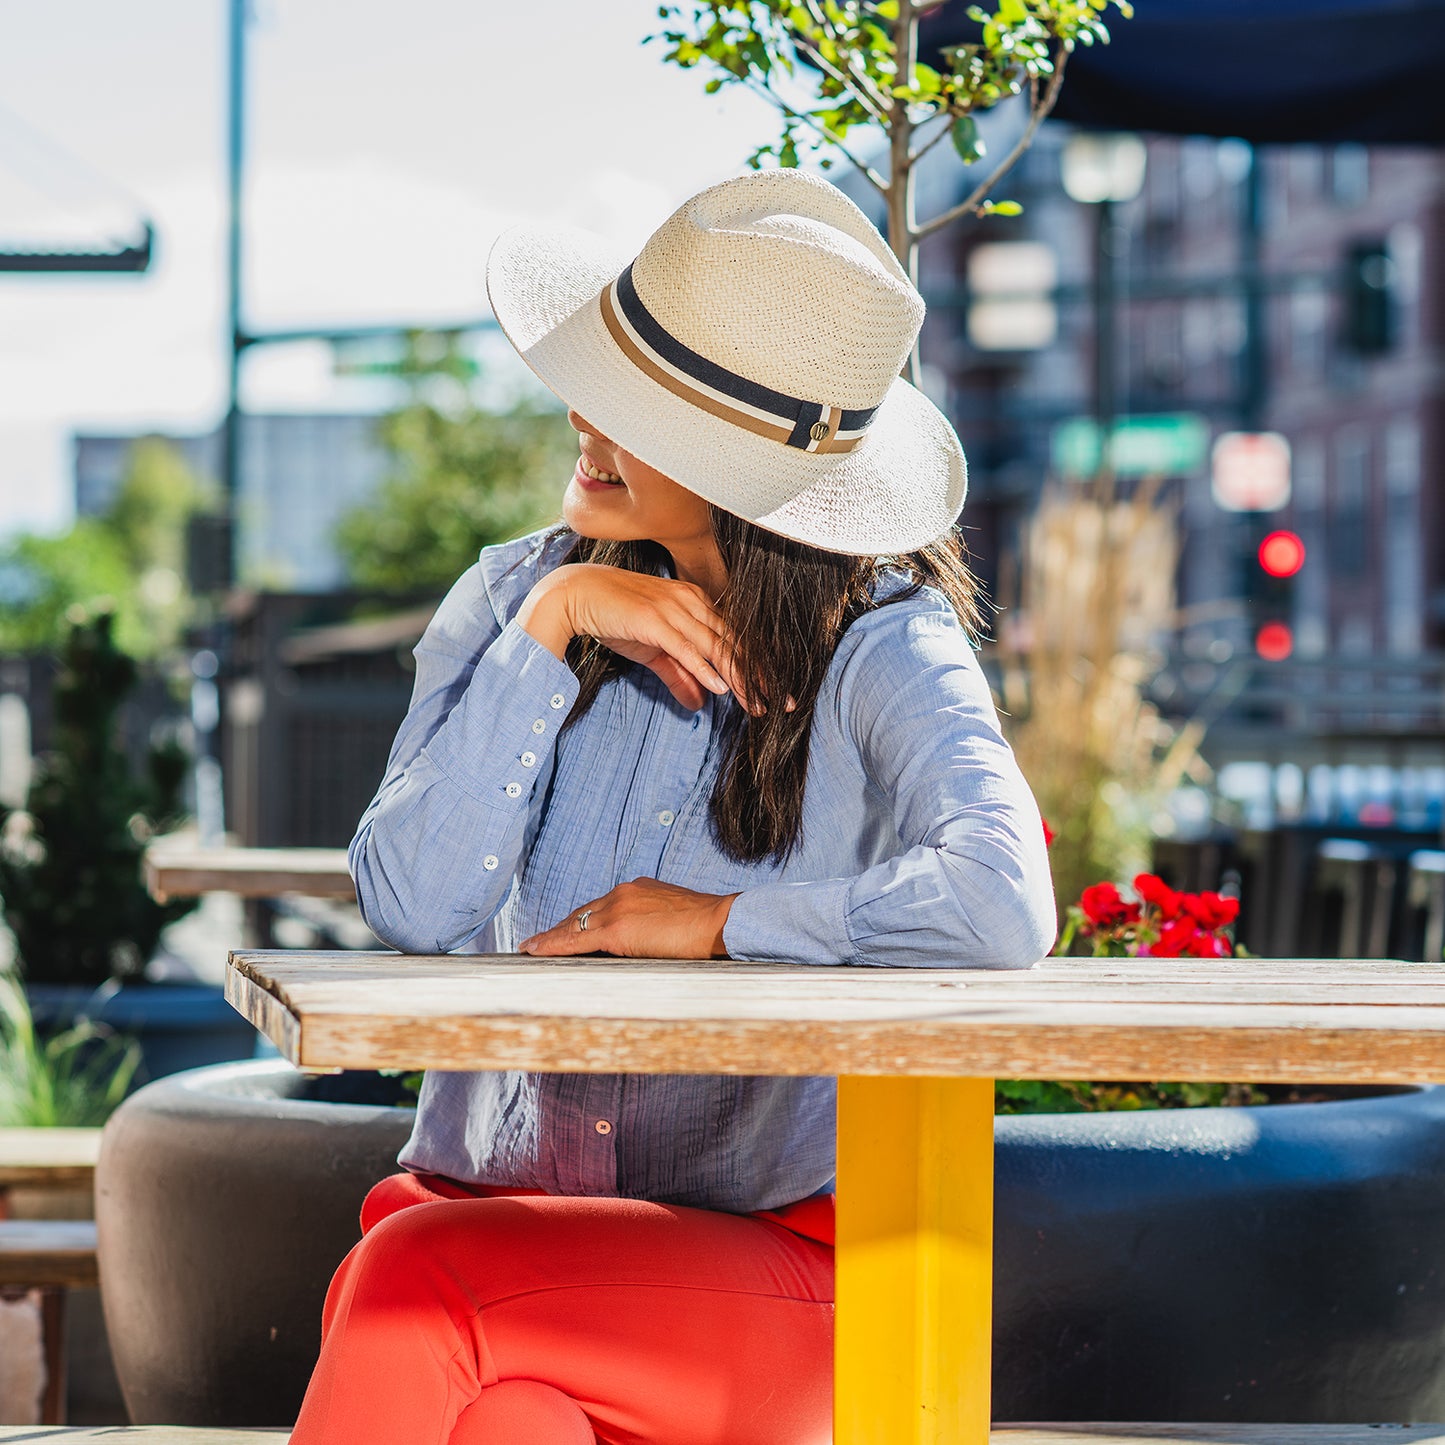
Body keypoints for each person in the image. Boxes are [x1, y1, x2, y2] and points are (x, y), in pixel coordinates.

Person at [288, 168, 1056, 1445]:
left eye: (641, 410)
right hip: (480, 1232)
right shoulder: (510, 598)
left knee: (421, 1293)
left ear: (748, 469)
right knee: (505, 1414)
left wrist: (719, 920)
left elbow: (1000, 895)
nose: (587, 420)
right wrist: (553, 626)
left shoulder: (882, 648)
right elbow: (414, 902)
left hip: (753, 1276)